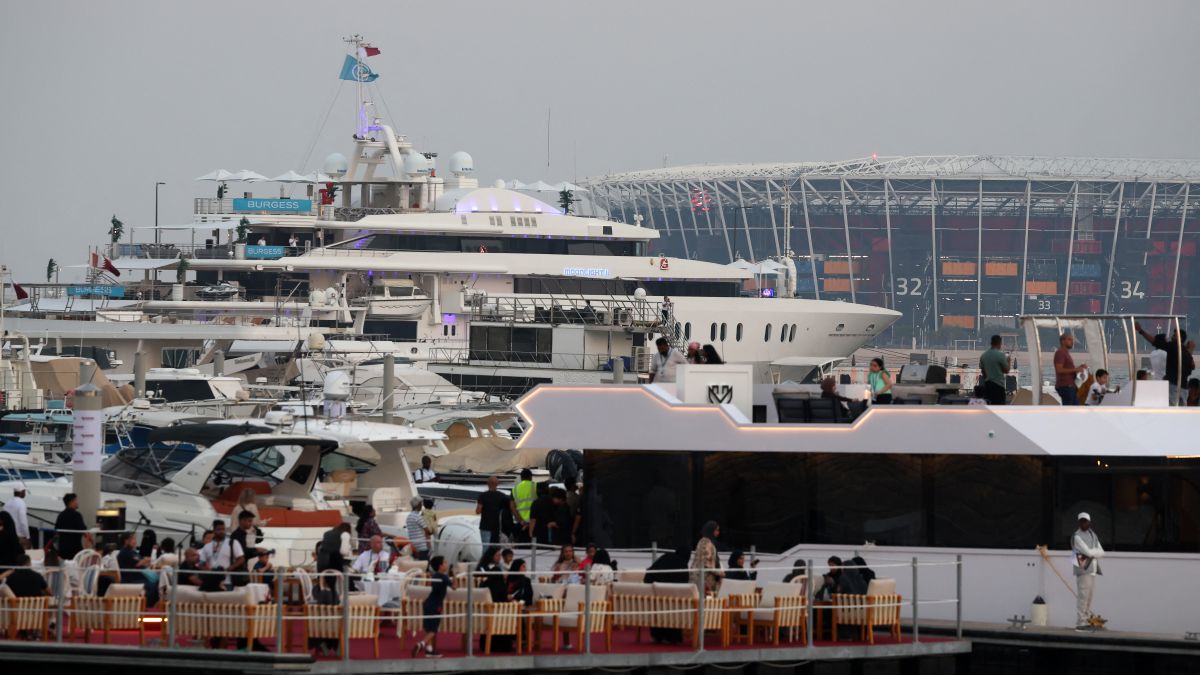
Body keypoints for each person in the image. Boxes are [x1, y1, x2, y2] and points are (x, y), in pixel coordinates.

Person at [646, 547, 690, 643]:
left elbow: (648, 575)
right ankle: (672, 637)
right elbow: (684, 586)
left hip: (656, 599)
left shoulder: (665, 557)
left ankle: (657, 636)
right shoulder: (682, 566)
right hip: (672, 603)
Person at [411, 555, 451, 658]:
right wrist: (454, 575)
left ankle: (429, 650)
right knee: (433, 630)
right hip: (436, 605)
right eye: (445, 563)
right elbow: (454, 587)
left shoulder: (434, 576)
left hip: (428, 603)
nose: (447, 564)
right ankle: (422, 644)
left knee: (428, 628)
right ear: (440, 566)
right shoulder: (444, 577)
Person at [1072, 512, 1104, 630]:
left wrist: (1093, 552)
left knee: (1089, 596)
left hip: (1092, 569)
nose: (1083, 523)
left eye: (1085, 521)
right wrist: (1094, 551)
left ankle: (1085, 620)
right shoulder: (1076, 536)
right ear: (1079, 522)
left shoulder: (1093, 534)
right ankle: (1080, 622)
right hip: (1082, 569)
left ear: (1089, 522)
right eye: (1081, 521)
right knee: (1083, 596)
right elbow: (1089, 553)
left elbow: (1102, 552)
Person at [198, 519, 244, 591]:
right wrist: (209, 573)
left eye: (223, 529)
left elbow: (241, 559)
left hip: (228, 581)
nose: (221, 531)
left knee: (226, 601)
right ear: (214, 530)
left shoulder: (233, 543)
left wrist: (228, 569)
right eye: (218, 529)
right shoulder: (207, 546)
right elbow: (201, 563)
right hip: (212, 582)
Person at [117, 531, 158, 605]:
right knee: (151, 584)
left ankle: (152, 605)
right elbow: (137, 564)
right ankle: (148, 606)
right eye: (133, 539)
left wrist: (145, 561)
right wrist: (144, 560)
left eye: (135, 539)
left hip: (140, 576)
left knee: (157, 581)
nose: (135, 541)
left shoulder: (133, 552)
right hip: (130, 578)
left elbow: (141, 561)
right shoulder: (125, 552)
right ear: (126, 541)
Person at [309, 571, 342, 656]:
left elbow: (319, 607)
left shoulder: (323, 593)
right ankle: (335, 645)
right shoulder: (336, 594)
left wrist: (321, 586)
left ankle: (322, 644)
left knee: (311, 624)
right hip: (336, 625)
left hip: (323, 626)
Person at [53, 493, 91, 560]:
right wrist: (92, 541)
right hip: (75, 551)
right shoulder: (77, 515)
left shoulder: (60, 515)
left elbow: (56, 533)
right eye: (76, 500)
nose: (77, 502)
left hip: (62, 551)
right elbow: (85, 532)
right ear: (71, 502)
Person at [475, 475, 509, 547]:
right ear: (497, 484)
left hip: (485, 526)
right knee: (495, 550)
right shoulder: (502, 496)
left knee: (485, 549)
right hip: (497, 527)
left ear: (487, 484)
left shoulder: (482, 496)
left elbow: (478, 511)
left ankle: (485, 558)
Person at [1053, 333, 1087, 405]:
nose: (1072, 342)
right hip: (1065, 386)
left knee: (1074, 409)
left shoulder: (1065, 353)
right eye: (1069, 339)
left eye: (1072, 340)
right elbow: (1059, 369)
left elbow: (1067, 368)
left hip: (1071, 386)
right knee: (1070, 410)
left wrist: (1079, 367)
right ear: (1063, 341)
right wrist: (1076, 369)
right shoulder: (1060, 352)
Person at [690, 521, 722, 594]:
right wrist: (720, 573)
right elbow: (705, 563)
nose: (718, 532)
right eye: (716, 530)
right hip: (703, 579)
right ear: (711, 530)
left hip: (703, 577)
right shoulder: (705, 543)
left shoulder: (706, 541)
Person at [229, 510, 260, 585]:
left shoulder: (241, 534)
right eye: (249, 521)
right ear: (242, 521)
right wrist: (256, 550)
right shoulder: (237, 535)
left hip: (242, 568)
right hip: (238, 570)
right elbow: (242, 553)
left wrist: (257, 552)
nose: (251, 523)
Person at [979, 335, 1010, 405]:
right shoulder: (1000, 355)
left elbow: (983, 372)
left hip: (987, 386)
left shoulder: (984, 355)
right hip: (998, 387)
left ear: (991, 343)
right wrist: (1009, 360)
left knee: (989, 407)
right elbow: (1006, 370)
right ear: (999, 343)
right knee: (999, 408)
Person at [511, 469, 535, 542]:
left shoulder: (514, 489)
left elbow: (512, 507)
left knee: (522, 547)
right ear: (531, 477)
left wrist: (521, 521)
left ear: (521, 478)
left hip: (521, 524)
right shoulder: (535, 486)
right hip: (533, 524)